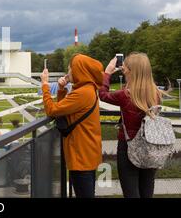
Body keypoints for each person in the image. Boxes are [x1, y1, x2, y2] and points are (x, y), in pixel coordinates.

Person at [99, 52, 162, 198]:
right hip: (151, 146)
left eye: (125, 68)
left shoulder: (125, 95)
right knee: (147, 191)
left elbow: (102, 94)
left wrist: (107, 73)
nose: (123, 70)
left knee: (131, 192)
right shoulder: (156, 93)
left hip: (128, 147)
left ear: (131, 71)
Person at [41, 54, 103, 198]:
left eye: (70, 69)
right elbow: (63, 110)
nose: (68, 73)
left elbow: (51, 110)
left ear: (78, 71)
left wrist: (45, 85)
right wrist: (62, 89)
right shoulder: (88, 89)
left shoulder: (82, 93)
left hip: (81, 157)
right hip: (87, 154)